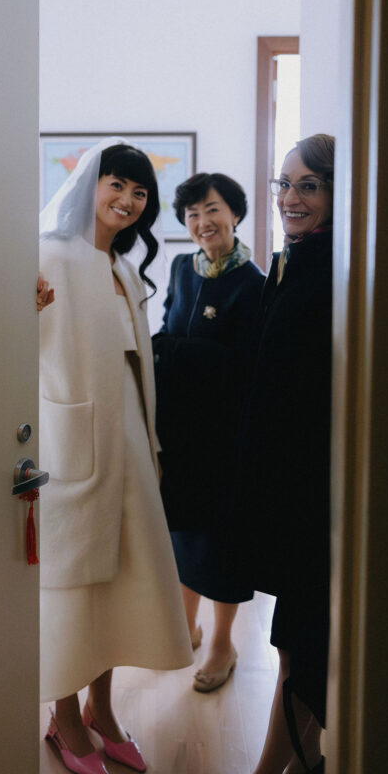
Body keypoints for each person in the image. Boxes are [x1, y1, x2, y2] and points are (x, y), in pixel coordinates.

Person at [38, 139, 193, 774]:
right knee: (74, 589)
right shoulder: (48, 255)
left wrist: (151, 448)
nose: (127, 201)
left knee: (121, 585)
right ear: (88, 186)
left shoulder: (122, 268)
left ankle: (103, 709)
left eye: (138, 193)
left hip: (130, 444)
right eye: (116, 186)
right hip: (72, 446)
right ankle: (63, 716)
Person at [206, 134, 335, 774]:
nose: (290, 197)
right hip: (285, 486)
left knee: (300, 641)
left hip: (314, 491)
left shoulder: (335, 268)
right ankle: (295, 773)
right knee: (299, 638)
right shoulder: (294, 264)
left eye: (308, 185)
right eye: (284, 183)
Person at [153, 172, 265, 692]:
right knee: (183, 533)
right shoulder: (179, 268)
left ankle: (223, 642)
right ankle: (187, 627)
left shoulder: (256, 283)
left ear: (235, 214)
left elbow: (245, 365)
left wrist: (168, 352)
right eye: (193, 214)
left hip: (227, 436)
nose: (203, 223)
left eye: (213, 210)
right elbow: (168, 326)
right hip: (179, 431)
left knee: (222, 544)